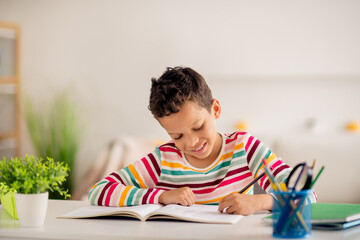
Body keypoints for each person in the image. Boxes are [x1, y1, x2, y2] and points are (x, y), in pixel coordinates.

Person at [88, 66, 317, 215]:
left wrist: (259, 202)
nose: (191, 142)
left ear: (215, 109)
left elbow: (308, 196)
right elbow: (99, 191)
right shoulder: (163, 159)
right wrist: (161, 196)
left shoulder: (244, 148)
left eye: (198, 127)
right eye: (176, 136)